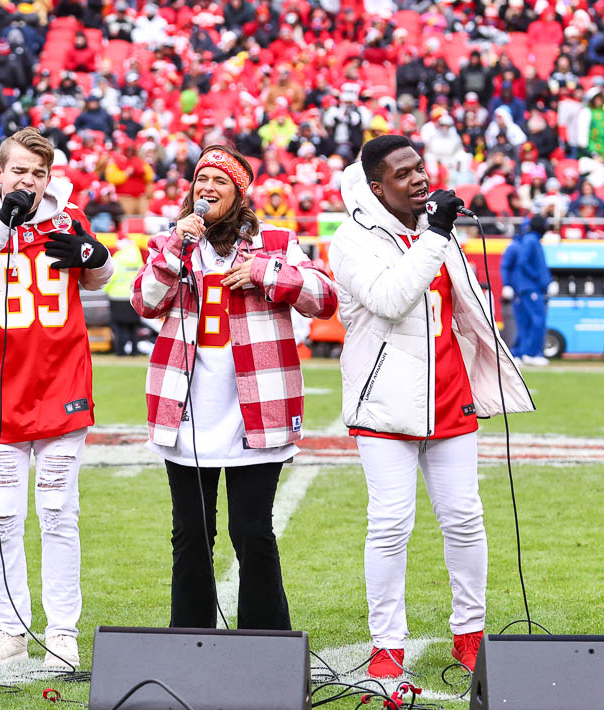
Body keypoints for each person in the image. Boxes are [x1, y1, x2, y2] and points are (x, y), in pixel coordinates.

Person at [331, 136, 533, 678]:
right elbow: (392, 300)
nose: (419, 179)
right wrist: (438, 234)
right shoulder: (350, 239)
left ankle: (470, 634)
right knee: (391, 525)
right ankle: (387, 646)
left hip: (449, 395)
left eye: (420, 167)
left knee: (465, 519)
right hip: (385, 403)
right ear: (377, 188)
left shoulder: (431, 231)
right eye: (403, 174)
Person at [132, 145, 338, 631]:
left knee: (252, 533)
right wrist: (171, 251)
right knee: (191, 536)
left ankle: (266, 645)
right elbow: (144, 301)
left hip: (256, 410)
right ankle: (190, 639)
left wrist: (270, 273)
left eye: (219, 182)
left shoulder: (277, 241)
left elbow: (325, 299)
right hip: (185, 411)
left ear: (239, 194)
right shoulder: (173, 244)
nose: (206, 189)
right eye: (200, 180)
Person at [0, 127, 114, 669]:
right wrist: (2, 225)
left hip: (62, 385)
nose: (29, 181)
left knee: (60, 514)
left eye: (39, 173)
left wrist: (97, 253)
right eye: (19, 170)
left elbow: (98, 280)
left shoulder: (68, 218)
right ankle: (10, 627)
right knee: (1, 520)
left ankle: (61, 631)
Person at [500, 214, 551, 366]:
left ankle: (520, 353)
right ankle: (529, 353)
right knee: (536, 321)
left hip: (525, 288)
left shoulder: (527, 241)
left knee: (526, 322)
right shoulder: (530, 241)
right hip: (530, 288)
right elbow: (521, 263)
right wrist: (541, 280)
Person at [104, 235, 145, 355]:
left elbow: (110, 277)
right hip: (133, 297)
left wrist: (106, 290)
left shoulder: (118, 258)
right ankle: (134, 352)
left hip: (117, 296)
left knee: (119, 327)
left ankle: (120, 351)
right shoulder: (138, 258)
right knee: (134, 326)